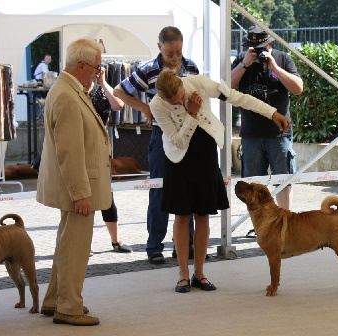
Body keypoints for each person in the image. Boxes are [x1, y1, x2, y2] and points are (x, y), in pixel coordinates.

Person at [150, 70, 291, 292]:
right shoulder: (156, 105)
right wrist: (192, 114)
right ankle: (182, 276)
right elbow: (177, 141)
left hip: (205, 152)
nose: (180, 102)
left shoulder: (198, 83)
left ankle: (200, 273)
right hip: (179, 159)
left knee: (203, 214)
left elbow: (238, 97)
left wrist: (273, 113)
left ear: (181, 83)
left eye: (181, 96)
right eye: (174, 102)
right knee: (182, 216)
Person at [36, 38, 112, 326]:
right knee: (75, 249)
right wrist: (81, 194)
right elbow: (70, 151)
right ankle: (69, 307)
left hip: (73, 185)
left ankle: (55, 300)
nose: (98, 72)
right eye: (96, 67)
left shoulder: (67, 88)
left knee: (67, 244)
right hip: (77, 188)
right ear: (82, 66)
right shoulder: (68, 95)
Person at [114, 26, 199, 265]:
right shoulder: (148, 69)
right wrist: (144, 108)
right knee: (160, 189)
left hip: (187, 134)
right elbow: (119, 90)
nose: (175, 57)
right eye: (170, 53)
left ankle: (186, 244)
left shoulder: (191, 67)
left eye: (179, 52)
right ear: (159, 47)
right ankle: (154, 247)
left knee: (187, 189)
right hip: (161, 136)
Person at [231, 24, 303, 238]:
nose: (257, 52)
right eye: (252, 47)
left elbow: (298, 88)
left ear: (270, 44)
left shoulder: (282, 59)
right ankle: (260, 225)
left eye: (261, 47)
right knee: (254, 186)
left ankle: (286, 225)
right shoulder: (242, 60)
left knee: (283, 181)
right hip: (251, 135)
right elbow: (226, 88)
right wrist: (244, 64)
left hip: (279, 134)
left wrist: (274, 68)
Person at [89, 68, 132, 253]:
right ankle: (85, 244)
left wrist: (103, 82)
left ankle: (115, 241)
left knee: (107, 198)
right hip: (82, 149)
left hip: (101, 149)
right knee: (85, 199)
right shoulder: (75, 91)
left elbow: (118, 105)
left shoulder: (100, 90)